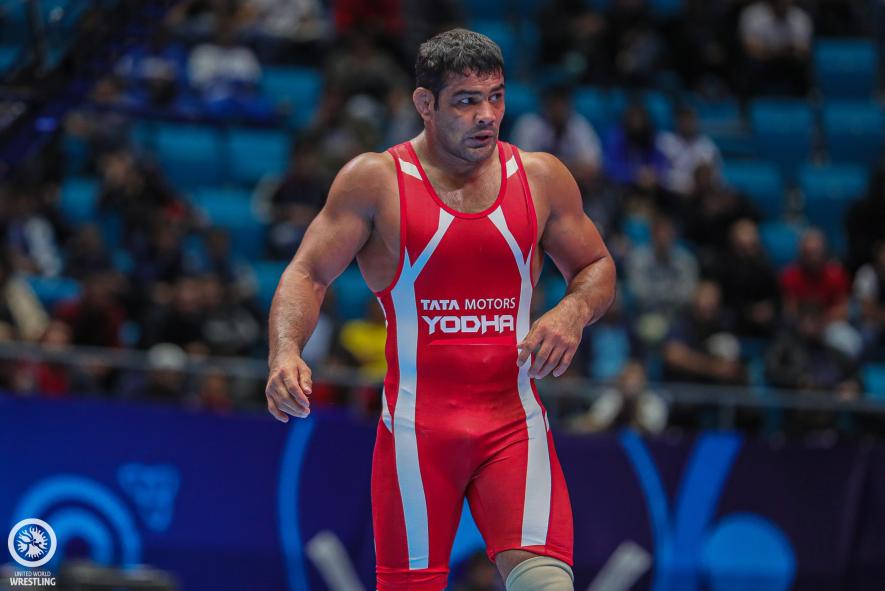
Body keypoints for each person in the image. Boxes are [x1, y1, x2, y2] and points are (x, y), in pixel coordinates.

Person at [265, 29, 616, 591]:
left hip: (514, 425)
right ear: (424, 104)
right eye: (466, 101)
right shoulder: (375, 181)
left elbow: (597, 266)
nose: (487, 116)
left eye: (496, 97)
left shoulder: (541, 177)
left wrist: (572, 312)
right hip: (416, 433)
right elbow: (306, 273)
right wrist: (285, 351)